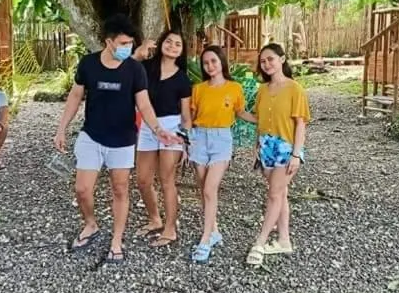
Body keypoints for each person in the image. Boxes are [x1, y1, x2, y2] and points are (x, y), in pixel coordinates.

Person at [53, 14, 180, 264]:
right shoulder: (88, 64)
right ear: (108, 42)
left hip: (122, 138)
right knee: (82, 189)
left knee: (120, 188)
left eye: (130, 43)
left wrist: (157, 129)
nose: (127, 48)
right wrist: (61, 129)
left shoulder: (135, 69)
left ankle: (116, 240)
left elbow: (143, 103)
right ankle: (91, 224)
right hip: (92, 134)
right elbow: (75, 96)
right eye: (122, 43)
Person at [188, 45, 256, 263]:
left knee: (210, 188)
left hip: (221, 140)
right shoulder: (198, 89)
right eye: (206, 62)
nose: (210, 66)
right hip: (199, 137)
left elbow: (241, 112)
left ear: (221, 62)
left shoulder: (234, 87)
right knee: (203, 190)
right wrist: (187, 138)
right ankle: (214, 230)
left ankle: (205, 239)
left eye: (214, 61)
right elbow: (191, 114)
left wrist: (263, 120)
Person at [245, 43, 310, 267]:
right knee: (280, 194)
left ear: (282, 59)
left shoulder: (295, 89)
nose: (267, 64)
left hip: (286, 148)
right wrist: (255, 144)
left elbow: (300, 123)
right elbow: (259, 119)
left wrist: (296, 153)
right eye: (263, 61)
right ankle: (284, 240)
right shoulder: (262, 90)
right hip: (266, 147)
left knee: (274, 194)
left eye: (270, 59)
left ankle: (260, 243)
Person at [132, 29, 192, 248]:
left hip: (172, 127)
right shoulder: (145, 68)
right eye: (169, 41)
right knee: (143, 180)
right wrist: (138, 54)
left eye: (178, 44)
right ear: (160, 44)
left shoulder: (182, 78)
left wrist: (185, 140)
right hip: (148, 126)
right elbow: (123, 71)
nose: (172, 46)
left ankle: (170, 228)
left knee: (167, 180)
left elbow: (186, 116)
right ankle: (154, 218)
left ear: (182, 51)